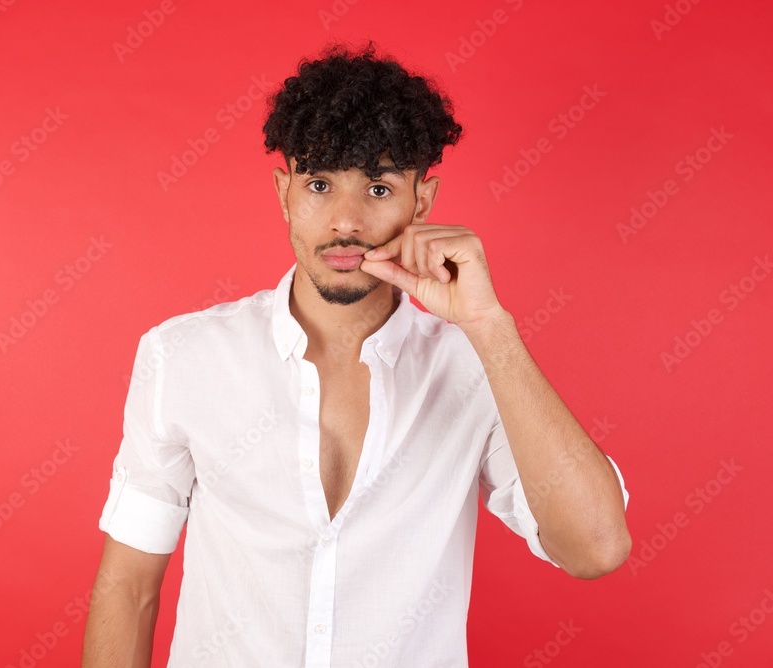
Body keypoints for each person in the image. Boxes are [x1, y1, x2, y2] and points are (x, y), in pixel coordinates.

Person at [82, 40, 631, 668]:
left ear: (421, 202)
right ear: (284, 193)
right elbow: (128, 588)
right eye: (320, 184)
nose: (345, 221)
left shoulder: (474, 367)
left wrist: (490, 326)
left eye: (377, 187)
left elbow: (596, 548)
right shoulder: (182, 357)